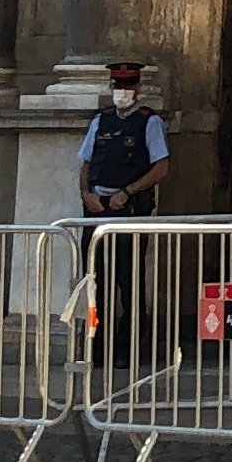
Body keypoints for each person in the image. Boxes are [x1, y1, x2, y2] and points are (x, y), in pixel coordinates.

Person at [79, 63, 170, 365]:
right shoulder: (100, 121)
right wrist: (87, 194)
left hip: (129, 208)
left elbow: (161, 167)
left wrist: (128, 192)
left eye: (128, 86)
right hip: (96, 209)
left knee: (128, 281)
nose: (122, 91)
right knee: (94, 279)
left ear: (138, 89)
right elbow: (86, 163)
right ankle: (97, 345)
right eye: (118, 85)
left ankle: (129, 348)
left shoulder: (148, 121)